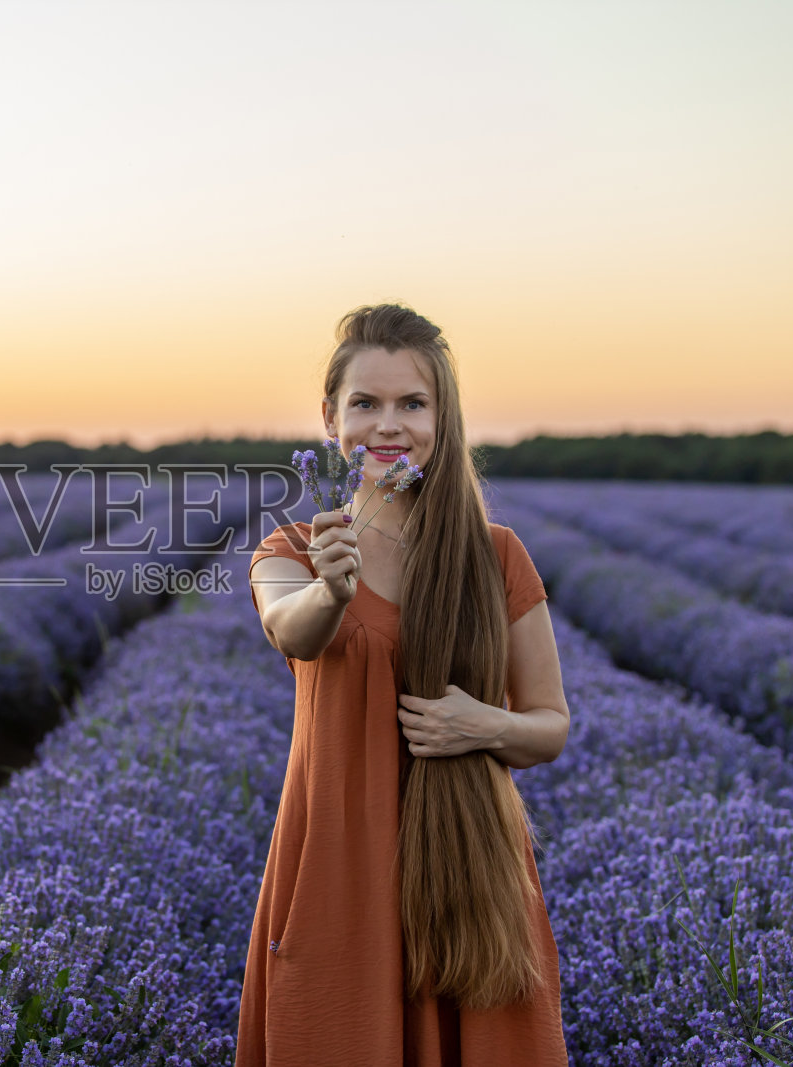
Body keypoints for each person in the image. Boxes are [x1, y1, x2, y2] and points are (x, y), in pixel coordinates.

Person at [236, 303, 570, 1065]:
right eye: (366, 403)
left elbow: (550, 723)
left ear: (442, 417)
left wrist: (480, 724)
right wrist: (332, 590)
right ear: (330, 417)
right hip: (336, 871)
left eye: (412, 403)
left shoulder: (495, 555)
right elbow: (293, 630)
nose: (388, 426)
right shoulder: (291, 549)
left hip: (467, 871)